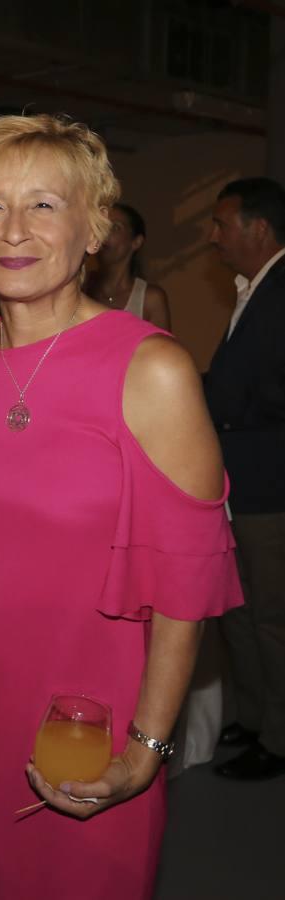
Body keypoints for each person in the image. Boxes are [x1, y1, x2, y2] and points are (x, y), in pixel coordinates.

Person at [0, 114, 242, 899]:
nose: (13, 230)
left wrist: (147, 748)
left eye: (43, 205)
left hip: (82, 730)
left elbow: (186, 584)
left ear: (93, 227)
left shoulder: (151, 368)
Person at [205, 177, 285, 780]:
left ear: (258, 228)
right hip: (237, 481)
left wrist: (224, 408)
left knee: (269, 615)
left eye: (222, 223)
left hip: (269, 484)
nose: (214, 236)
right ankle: (253, 718)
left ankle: (278, 739)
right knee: (237, 610)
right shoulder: (255, 288)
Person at [83, 202, 172, 330]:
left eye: (115, 228)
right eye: (101, 227)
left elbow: (165, 349)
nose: (104, 234)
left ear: (136, 242)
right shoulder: (79, 285)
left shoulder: (151, 299)